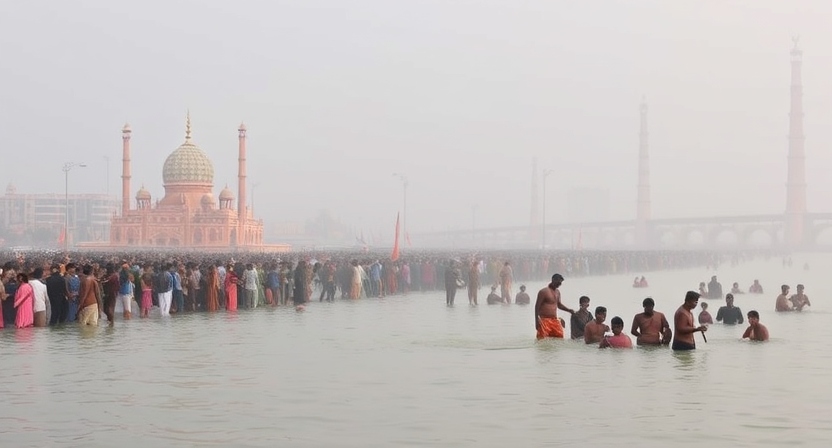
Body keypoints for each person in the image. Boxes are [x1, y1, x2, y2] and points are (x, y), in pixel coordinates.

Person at [534, 273, 575, 339]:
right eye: (558, 282)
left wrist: (569, 310)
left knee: (559, 339)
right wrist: (536, 321)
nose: (559, 284)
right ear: (553, 280)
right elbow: (537, 306)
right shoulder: (543, 292)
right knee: (542, 341)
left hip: (555, 320)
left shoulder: (557, 292)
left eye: (561, 282)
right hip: (544, 320)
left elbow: (559, 305)